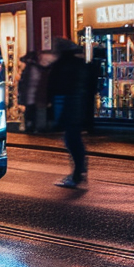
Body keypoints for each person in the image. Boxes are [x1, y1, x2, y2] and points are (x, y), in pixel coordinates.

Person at [47, 38, 94, 187]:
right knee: (73, 138)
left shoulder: (62, 65)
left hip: (68, 104)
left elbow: (54, 86)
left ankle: (77, 175)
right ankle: (79, 171)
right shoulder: (80, 64)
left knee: (71, 139)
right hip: (77, 104)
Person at [18, 52, 43, 134]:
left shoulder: (30, 69)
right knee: (31, 111)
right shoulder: (35, 68)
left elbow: (27, 83)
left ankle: (31, 127)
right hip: (33, 95)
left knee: (30, 111)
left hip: (31, 95)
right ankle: (31, 126)